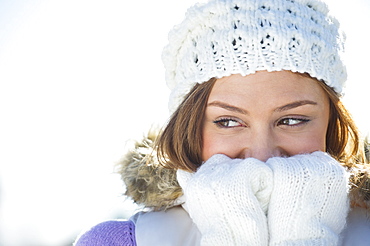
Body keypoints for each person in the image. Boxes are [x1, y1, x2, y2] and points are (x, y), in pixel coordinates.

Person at [74, 0, 370, 245]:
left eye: (292, 120)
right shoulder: (125, 241)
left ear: (334, 125)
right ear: (189, 128)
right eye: (228, 121)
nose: (261, 155)